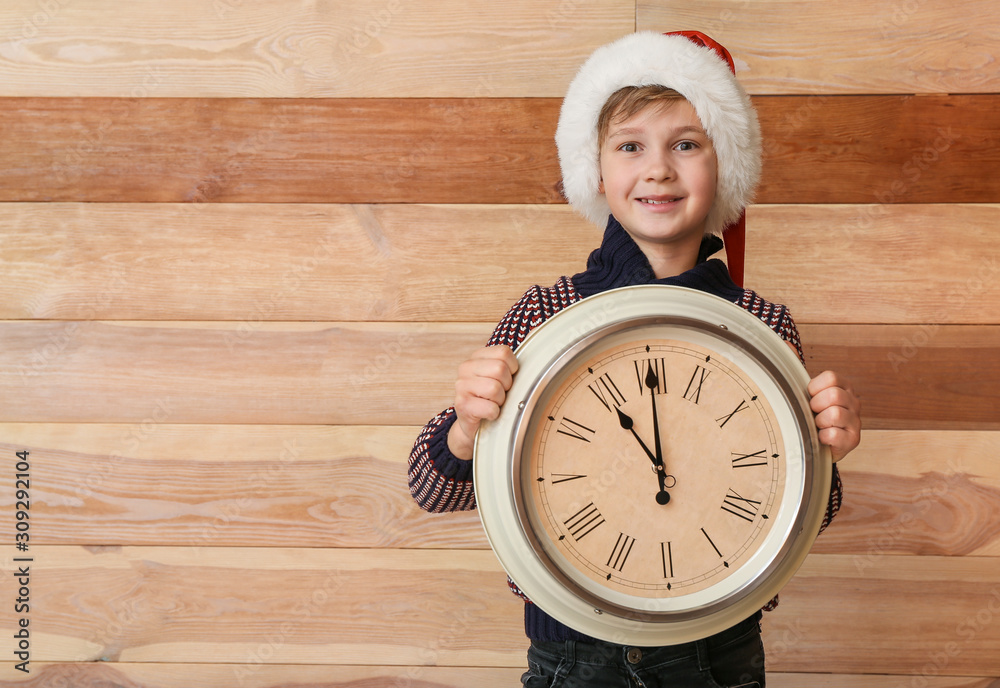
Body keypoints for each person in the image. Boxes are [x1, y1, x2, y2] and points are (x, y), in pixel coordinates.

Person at [408, 30, 861, 687]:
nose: (658, 169)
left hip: (716, 655)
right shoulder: (544, 315)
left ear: (723, 165)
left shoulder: (761, 326)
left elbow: (798, 517)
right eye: (630, 146)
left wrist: (827, 458)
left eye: (686, 143)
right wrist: (464, 425)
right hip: (573, 658)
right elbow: (430, 489)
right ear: (596, 169)